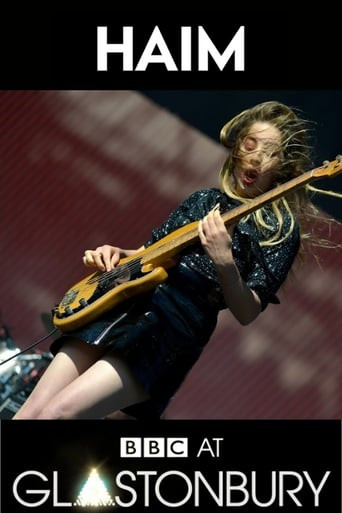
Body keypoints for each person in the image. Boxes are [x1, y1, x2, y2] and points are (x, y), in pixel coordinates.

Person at [13, 101, 340, 420]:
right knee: (31, 413)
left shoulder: (280, 231)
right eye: (250, 144)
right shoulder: (204, 200)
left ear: (283, 166)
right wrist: (117, 254)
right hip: (122, 305)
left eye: (269, 153)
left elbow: (247, 310)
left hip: (170, 331)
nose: (254, 157)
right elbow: (147, 253)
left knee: (59, 413)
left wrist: (224, 260)